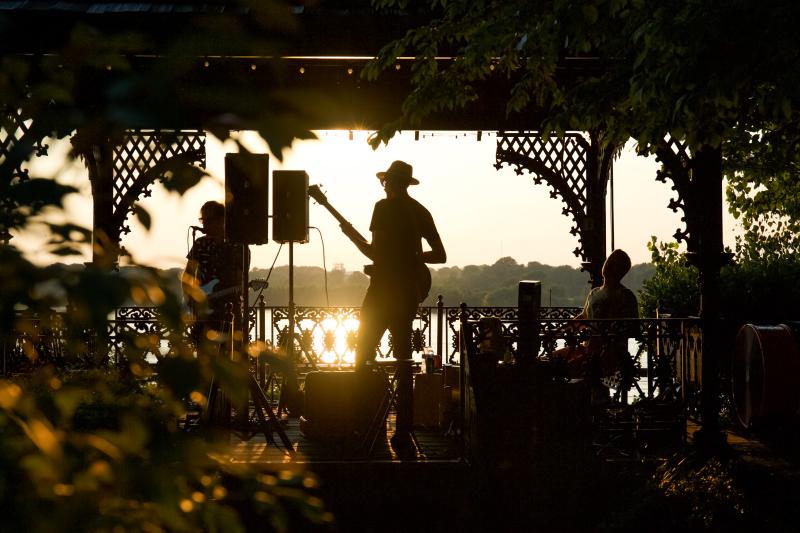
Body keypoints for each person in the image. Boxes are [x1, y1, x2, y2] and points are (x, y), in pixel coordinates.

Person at [342, 160, 446, 455]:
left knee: (363, 355)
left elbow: (375, 252)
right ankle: (403, 432)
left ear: (390, 183)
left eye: (385, 182)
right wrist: (411, 257)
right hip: (408, 294)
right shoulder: (421, 211)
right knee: (404, 361)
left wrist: (351, 236)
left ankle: (364, 423)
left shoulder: (383, 208)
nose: (384, 187)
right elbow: (440, 254)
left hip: (382, 291)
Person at [557, 249, 639, 380]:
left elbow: (633, 328)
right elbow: (583, 318)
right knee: (547, 360)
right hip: (587, 349)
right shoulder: (594, 293)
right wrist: (558, 332)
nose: (608, 265)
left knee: (560, 367)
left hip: (608, 354)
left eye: (614, 263)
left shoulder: (626, 296)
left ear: (621, 271)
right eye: (608, 261)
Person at [182, 201, 250, 346]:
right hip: (204, 314)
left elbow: (241, 279)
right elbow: (188, 274)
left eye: (208, 220)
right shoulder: (200, 244)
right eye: (202, 220)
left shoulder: (239, 246)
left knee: (232, 355)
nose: (204, 224)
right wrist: (190, 300)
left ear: (221, 220)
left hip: (230, 311)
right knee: (204, 358)